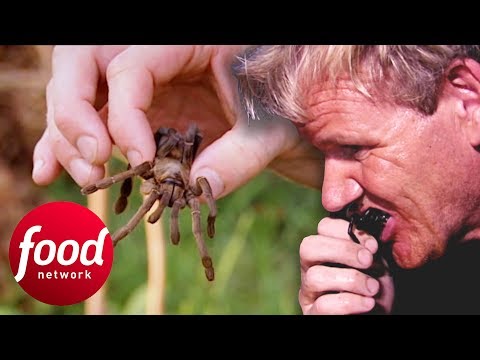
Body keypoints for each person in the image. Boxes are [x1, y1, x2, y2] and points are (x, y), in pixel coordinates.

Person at [34, 45, 480, 315]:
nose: (330, 196)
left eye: (354, 149)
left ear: (467, 98)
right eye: (320, 153)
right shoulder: (426, 255)